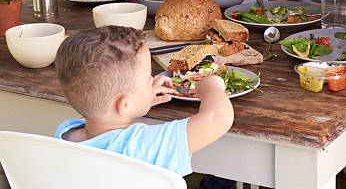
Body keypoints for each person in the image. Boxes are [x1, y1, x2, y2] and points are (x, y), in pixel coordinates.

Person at [54, 26, 234, 178]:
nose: (152, 80)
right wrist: (211, 85)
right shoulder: (144, 145)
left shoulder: (65, 134)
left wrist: (139, 98)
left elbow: (100, 101)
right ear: (124, 104)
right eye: (148, 78)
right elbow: (219, 117)